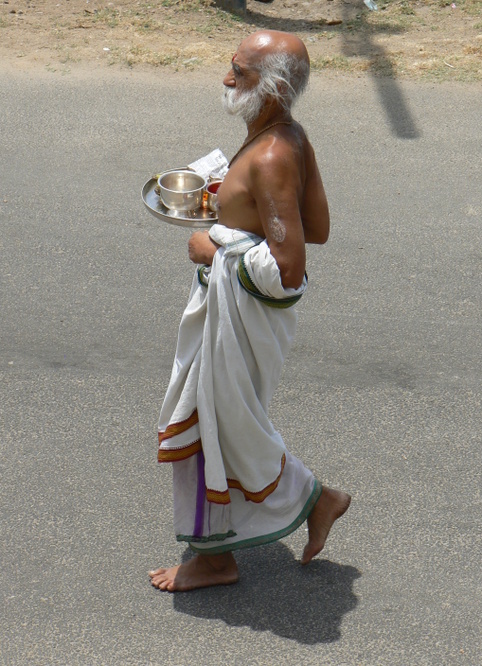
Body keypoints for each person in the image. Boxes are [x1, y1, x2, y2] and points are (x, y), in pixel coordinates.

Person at [149, 29, 350, 592]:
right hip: (236, 319)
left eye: (240, 70)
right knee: (227, 426)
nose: (226, 78)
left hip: (241, 317)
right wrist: (232, 207)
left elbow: (288, 269)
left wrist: (216, 248)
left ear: (274, 86)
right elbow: (318, 226)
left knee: (211, 425)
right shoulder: (287, 136)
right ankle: (311, 504)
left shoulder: (271, 155)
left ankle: (224, 554)